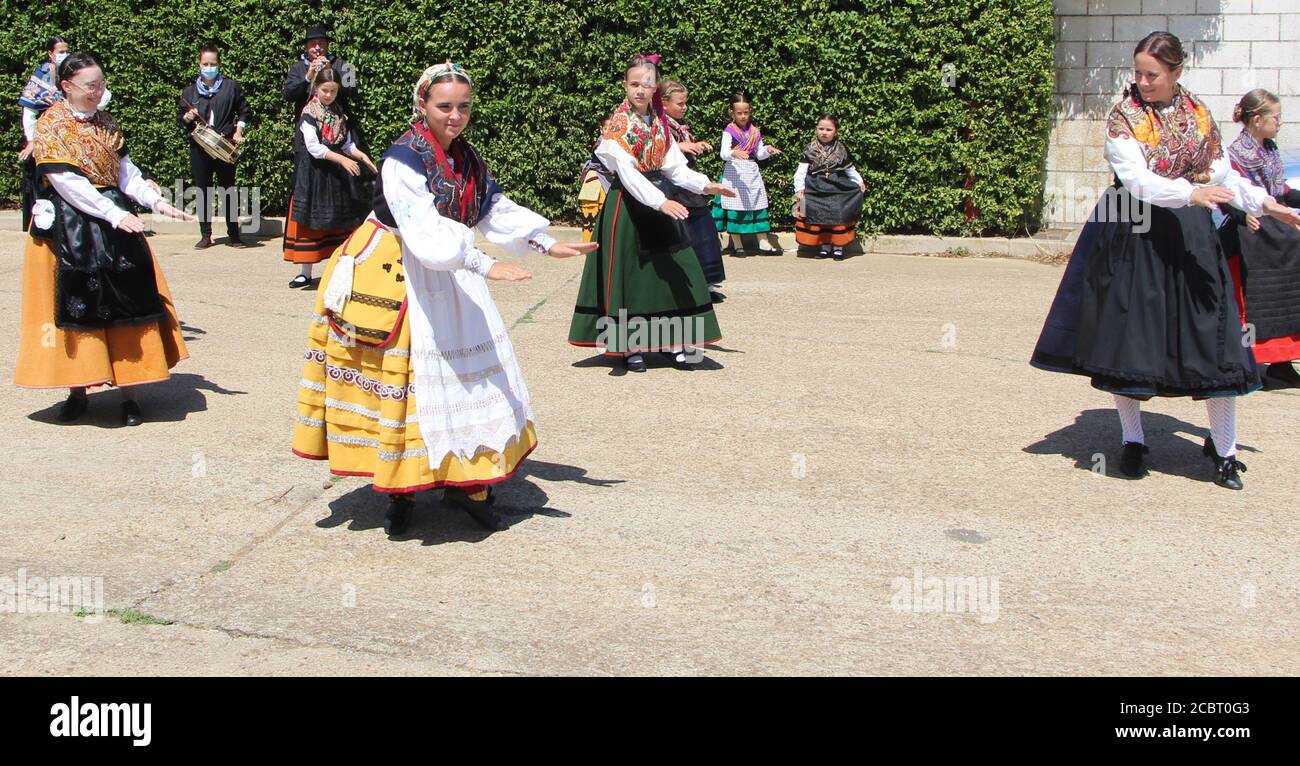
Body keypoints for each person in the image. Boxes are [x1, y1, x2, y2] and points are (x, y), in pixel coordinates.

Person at [292, 61, 596, 535]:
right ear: (423, 105)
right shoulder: (402, 158)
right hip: (397, 266)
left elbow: (491, 206)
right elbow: (422, 229)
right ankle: (402, 489)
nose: (455, 116)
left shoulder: (465, 157)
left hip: (448, 264)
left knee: (464, 377)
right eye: (445, 106)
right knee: (410, 380)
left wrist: (543, 240)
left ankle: (465, 481)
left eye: (463, 107)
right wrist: (482, 263)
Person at [1029, 32, 1300, 490]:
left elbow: (1223, 174)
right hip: (1133, 234)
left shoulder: (1197, 113)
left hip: (1191, 235)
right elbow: (1136, 180)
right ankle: (1133, 440)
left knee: (1216, 340)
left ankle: (1224, 448)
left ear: (1175, 73)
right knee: (1129, 340)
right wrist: (1190, 192)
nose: (1142, 81)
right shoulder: (1125, 116)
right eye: (1137, 72)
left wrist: (1266, 204)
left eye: (1151, 74)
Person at [14, 52, 195, 426]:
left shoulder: (107, 122)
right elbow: (67, 183)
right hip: (67, 226)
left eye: (102, 84)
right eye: (91, 86)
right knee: (72, 305)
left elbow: (126, 173)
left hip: (114, 218)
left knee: (128, 298)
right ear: (67, 87)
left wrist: (156, 202)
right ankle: (77, 389)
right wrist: (115, 213)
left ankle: (130, 392)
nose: (99, 92)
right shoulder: (52, 125)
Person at [568, 55, 735, 372]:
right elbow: (628, 175)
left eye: (647, 84)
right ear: (625, 86)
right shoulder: (617, 126)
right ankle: (629, 347)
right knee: (632, 277)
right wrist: (660, 202)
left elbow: (673, 166)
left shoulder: (659, 122)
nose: (640, 90)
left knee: (675, 272)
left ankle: (673, 343)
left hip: (661, 201)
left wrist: (705, 185)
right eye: (634, 84)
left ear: (655, 87)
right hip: (629, 207)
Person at [1217, 88, 1300, 389]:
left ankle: (1281, 363)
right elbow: (1227, 194)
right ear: (1256, 119)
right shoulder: (1235, 154)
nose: (1280, 122)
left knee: (1288, 294)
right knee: (1249, 303)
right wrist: (1242, 216)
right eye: (1275, 117)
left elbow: (1279, 192)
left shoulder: (1270, 149)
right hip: (1248, 236)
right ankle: (1247, 361)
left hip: (1276, 232)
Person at [283, 66, 376, 287]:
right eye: (325, 90)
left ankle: (341, 268)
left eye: (333, 91)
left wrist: (360, 155)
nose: (329, 95)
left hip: (334, 175)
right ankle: (305, 272)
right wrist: (342, 159)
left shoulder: (337, 112)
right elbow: (314, 147)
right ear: (316, 88)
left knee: (341, 221)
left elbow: (345, 142)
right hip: (315, 174)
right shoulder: (309, 112)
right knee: (310, 222)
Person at [16, 36, 111, 231]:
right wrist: (31, 140)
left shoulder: (78, 72)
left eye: (66, 50)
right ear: (50, 54)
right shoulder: (41, 79)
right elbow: (29, 112)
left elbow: (102, 96)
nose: (64, 54)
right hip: (53, 138)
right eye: (60, 51)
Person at [177, 42, 253, 249]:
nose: (209, 67)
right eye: (205, 63)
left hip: (224, 145)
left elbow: (245, 110)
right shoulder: (190, 92)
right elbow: (180, 120)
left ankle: (234, 235)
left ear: (219, 64)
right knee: (203, 191)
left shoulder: (231, 87)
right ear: (199, 64)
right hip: (199, 148)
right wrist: (187, 116)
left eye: (213, 63)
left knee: (228, 190)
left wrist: (239, 130)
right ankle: (205, 235)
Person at [661, 79, 725, 300]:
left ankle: (706, 283)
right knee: (685, 236)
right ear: (664, 103)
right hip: (672, 189)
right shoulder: (659, 125)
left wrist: (696, 144)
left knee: (704, 232)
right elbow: (656, 150)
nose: (684, 107)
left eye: (685, 103)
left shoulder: (680, 126)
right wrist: (680, 146)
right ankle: (687, 287)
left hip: (689, 186)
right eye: (680, 103)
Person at [712, 90, 782, 256]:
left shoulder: (755, 132)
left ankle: (763, 243)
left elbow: (758, 153)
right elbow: (723, 153)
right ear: (732, 113)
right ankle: (737, 244)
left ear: (750, 112)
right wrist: (733, 153)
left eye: (746, 112)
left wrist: (768, 150)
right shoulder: (729, 131)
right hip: (734, 172)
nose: (743, 116)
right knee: (735, 205)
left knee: (757, 204)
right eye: (739, 113)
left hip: (750, 172)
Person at [793, 114, 865, 261]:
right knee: (818, 214)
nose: (824, 132)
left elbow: (849, 169)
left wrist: (859, 182)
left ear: (835, 131)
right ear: (816, 129)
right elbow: (801, 171)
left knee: (838, 212)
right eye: (821, 128)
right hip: (815, 187)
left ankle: (838, 248)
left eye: (828, 129)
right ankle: (824, 247)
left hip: (836, 185)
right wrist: (799, 189)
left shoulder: (841, 149)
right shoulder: (810, 149)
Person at [282, 24, 358, 123]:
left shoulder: (343, 64)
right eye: (313, 44)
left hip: (338, 125)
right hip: (308, 125)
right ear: (306, 46)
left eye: (321, 43)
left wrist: (331, 72)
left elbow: (353, 91)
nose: (317, 47)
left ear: (327, 45)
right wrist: (307, 78)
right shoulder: (296, 68)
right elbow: (288, 95)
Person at [577, 113, 615, 243]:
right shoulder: (602, 143)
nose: (609, 131)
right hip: (595, 180)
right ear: (601, 129)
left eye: (613, 128)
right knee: (591, 217)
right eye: (606, 128)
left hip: (608, 180)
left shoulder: (614, 143)